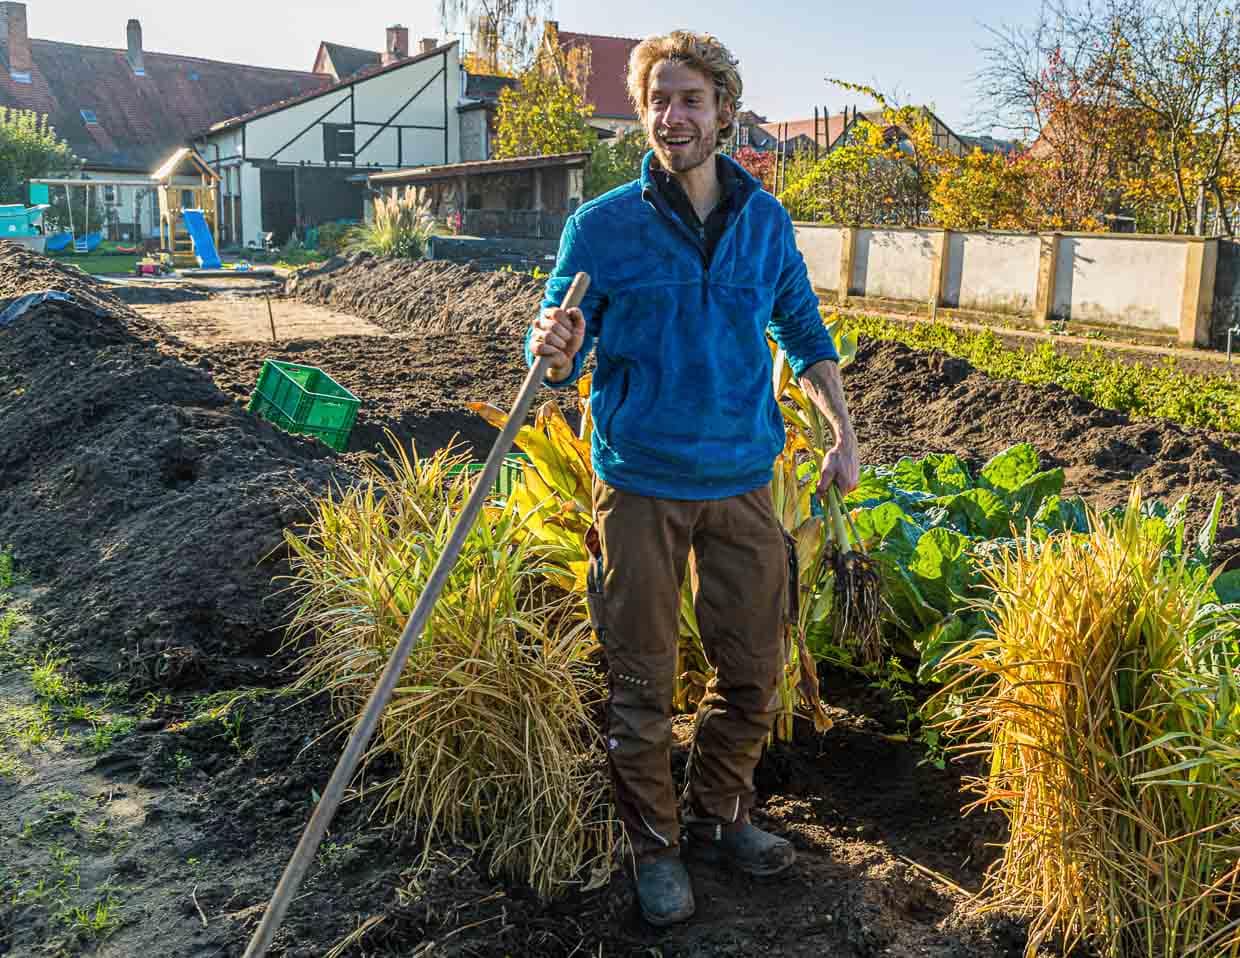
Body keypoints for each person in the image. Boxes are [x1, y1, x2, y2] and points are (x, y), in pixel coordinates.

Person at [526, 30, 859, 927]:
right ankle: (655, 846)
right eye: (658, 100)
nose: (672, 116)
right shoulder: (600, 225)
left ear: (724, 110)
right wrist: (554, 351)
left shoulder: (765, 222)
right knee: (640, 684)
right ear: (643, 112)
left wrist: (843, 433)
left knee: (753, 670)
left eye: (690, 99)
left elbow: (804, 332)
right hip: (639, 484)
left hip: (744, 480)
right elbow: (559, 338)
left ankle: (720, 816)